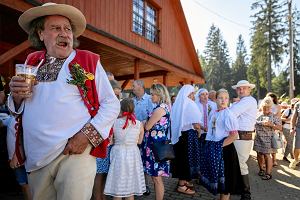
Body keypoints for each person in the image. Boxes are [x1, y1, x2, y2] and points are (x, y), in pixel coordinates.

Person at [8, 3, 120, 200]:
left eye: (68, 29)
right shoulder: (32, 61)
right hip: (36, 156)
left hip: (74, 152)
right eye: (56, 28)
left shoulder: (87, 61)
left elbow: (111, 104)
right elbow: (19, 109)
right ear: (41, 34)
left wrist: (86, 136)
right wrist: (16, 98)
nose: (64, 33)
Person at [200, 89, 242, 200]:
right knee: (221, 185)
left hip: (225, 151)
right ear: (216, 99)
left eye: (226, 98)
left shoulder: (228, 114)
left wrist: (218, 146)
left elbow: (234, 136)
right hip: (216, 149)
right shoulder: (214, 113)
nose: (223, 100)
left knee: (226, 185)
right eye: (221, 98)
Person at [104, 98, 145, 199]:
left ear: (120, 109)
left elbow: (110, 142)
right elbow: (139, 142)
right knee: (130, 186)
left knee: (118, 185)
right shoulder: (139, 124)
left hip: (118, 153)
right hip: (133, 153)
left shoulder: (114, 123)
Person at [141, 83, 171, 200]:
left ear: (159, 95)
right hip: (156, 145)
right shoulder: (163, 107)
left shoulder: (159, 109)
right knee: (155, 178)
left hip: (155, 147)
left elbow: (148, 126)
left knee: (157, 178)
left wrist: (143, 123)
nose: (151, 96)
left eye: (153, 94)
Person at [171, 85, 202, 195]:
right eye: (193, 93)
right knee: (186, 160)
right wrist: (199, 130)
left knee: (181, 159)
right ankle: (181, 185)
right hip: (188, 136)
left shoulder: (177, 104)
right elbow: (197, 124)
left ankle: (183, 181)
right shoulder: (190, 104)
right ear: (189, 94)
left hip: (179, 137)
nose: (194, 96)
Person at [230, 80, 257, 200]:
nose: (241, 90)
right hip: (239, 136)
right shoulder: (243, 101)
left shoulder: (248, 100)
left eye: (244, 88)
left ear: (249, 89)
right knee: (237, 163)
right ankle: (239, 189)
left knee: (241, 164)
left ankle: (246, 194)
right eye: (239, 89)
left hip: (242, 136)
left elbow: (231, 113)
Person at [132, 79, 153, 195]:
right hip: (133, 135)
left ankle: (145, 185)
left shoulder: (149, 99)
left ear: (140, 86)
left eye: (134, 85)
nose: (132, 87)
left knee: (144, 160)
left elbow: (152, 117)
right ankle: (135, 184)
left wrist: (142, 124)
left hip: (145, 135)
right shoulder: (132, 101)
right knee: (135, 159)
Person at [253, 97, 282, 180]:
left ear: (270, 107)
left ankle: (268, 173)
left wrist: (271, 125)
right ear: (262, 107)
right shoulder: (258, 115)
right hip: (258, 138)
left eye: (268, 107)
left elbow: (280, 128)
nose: (266, 109)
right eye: (264, 107)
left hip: (268, 139)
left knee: (267, 155)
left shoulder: (273, 117)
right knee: (259, 154)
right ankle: (261, 169)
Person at [5, 116, 32, 200]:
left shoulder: (28, 117)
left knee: (28, 185)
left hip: (27, 158)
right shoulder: (10, 119)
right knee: (24, 184)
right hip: (20, 159)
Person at [266, 92, 281, 167]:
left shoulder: (278, 106)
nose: (271, 99)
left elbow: (278, 117)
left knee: (273, 143)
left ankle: (274, 160)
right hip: (265, 126)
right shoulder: (264, 105)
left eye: (272, 98)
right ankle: (266, 159)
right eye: (269, 98)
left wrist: (277, 126)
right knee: (265, 143)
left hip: (274, 127)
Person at [289, 100, 300, 169]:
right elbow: (294, 117)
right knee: (297, 146)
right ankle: (295, 160)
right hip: (299, 128)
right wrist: (292, 128)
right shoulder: (298, 104)